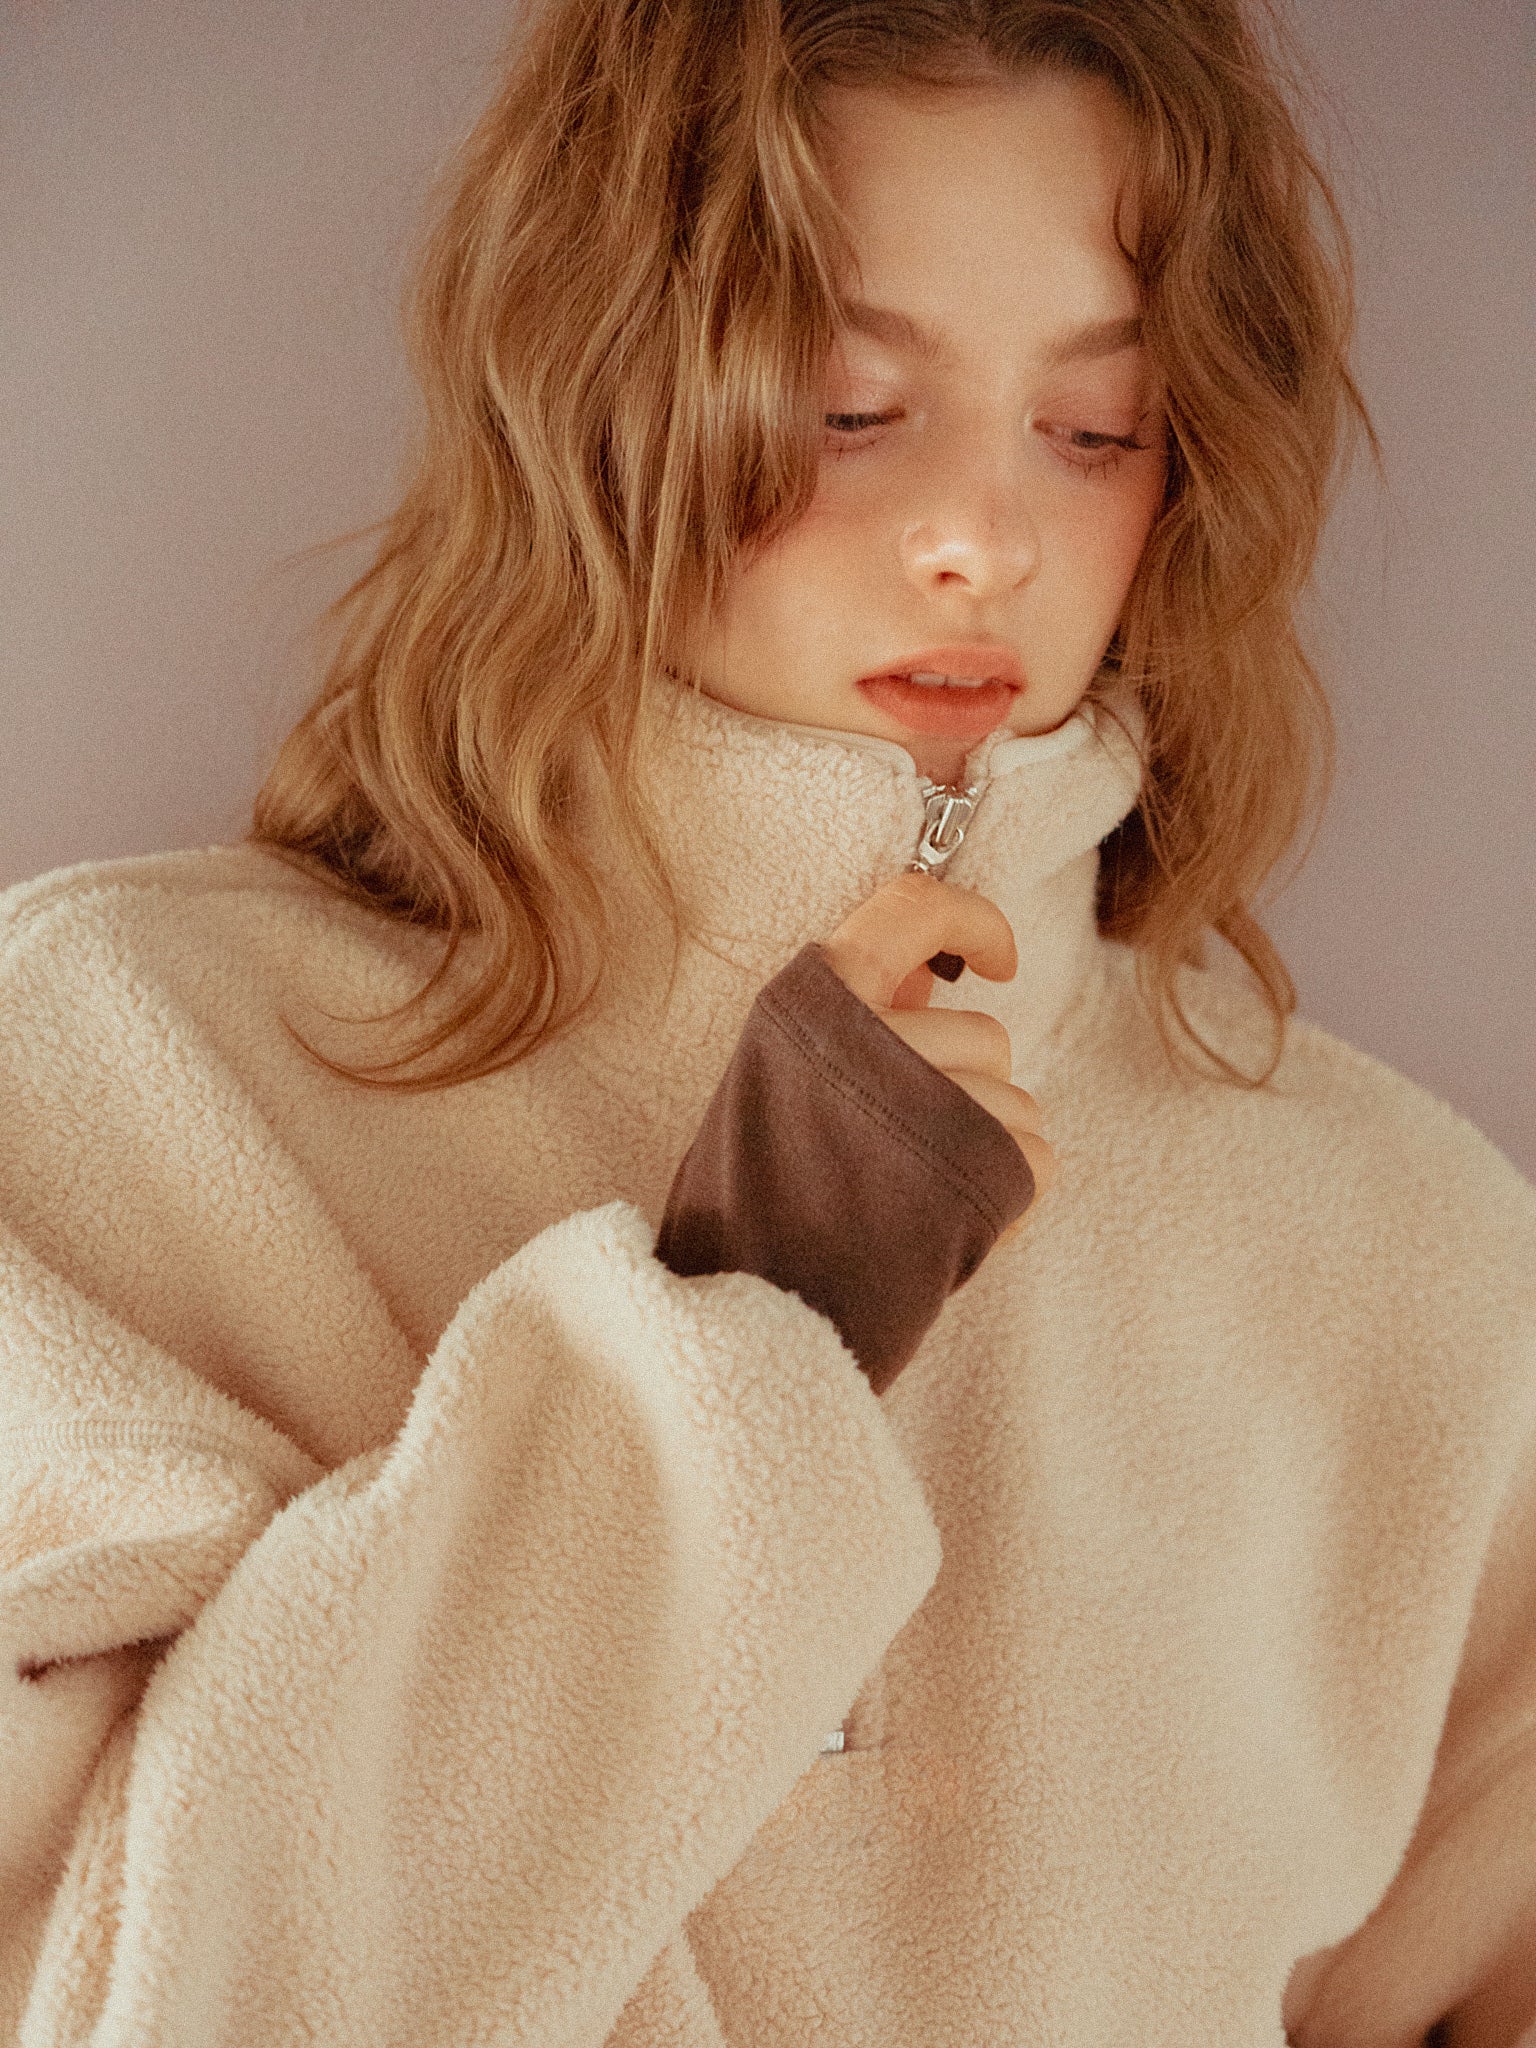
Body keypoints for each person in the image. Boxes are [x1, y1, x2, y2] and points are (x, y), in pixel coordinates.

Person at [2, 0, 1533, 2042]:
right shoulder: (112, 1078)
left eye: (1097, 428)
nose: (983, 537)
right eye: (846, 409)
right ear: (606, 398)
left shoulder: (1414, 1257)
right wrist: (743, 1332)